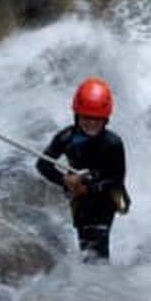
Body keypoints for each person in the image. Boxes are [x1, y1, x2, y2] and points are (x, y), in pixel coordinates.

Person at [36, 78, 129, 263]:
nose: (91, 123)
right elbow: (43, 164)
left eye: (97, 119)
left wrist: (89, 188)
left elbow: (117, 178)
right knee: (86, 239)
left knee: (96, 242)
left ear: (106, 119)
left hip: (104, 197)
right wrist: (64, 180)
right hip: (80, 197)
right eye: (86, 117)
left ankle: (97, 279)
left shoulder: (113, 143)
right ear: (77, 115)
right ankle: (95, 279)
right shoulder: (66, 138)